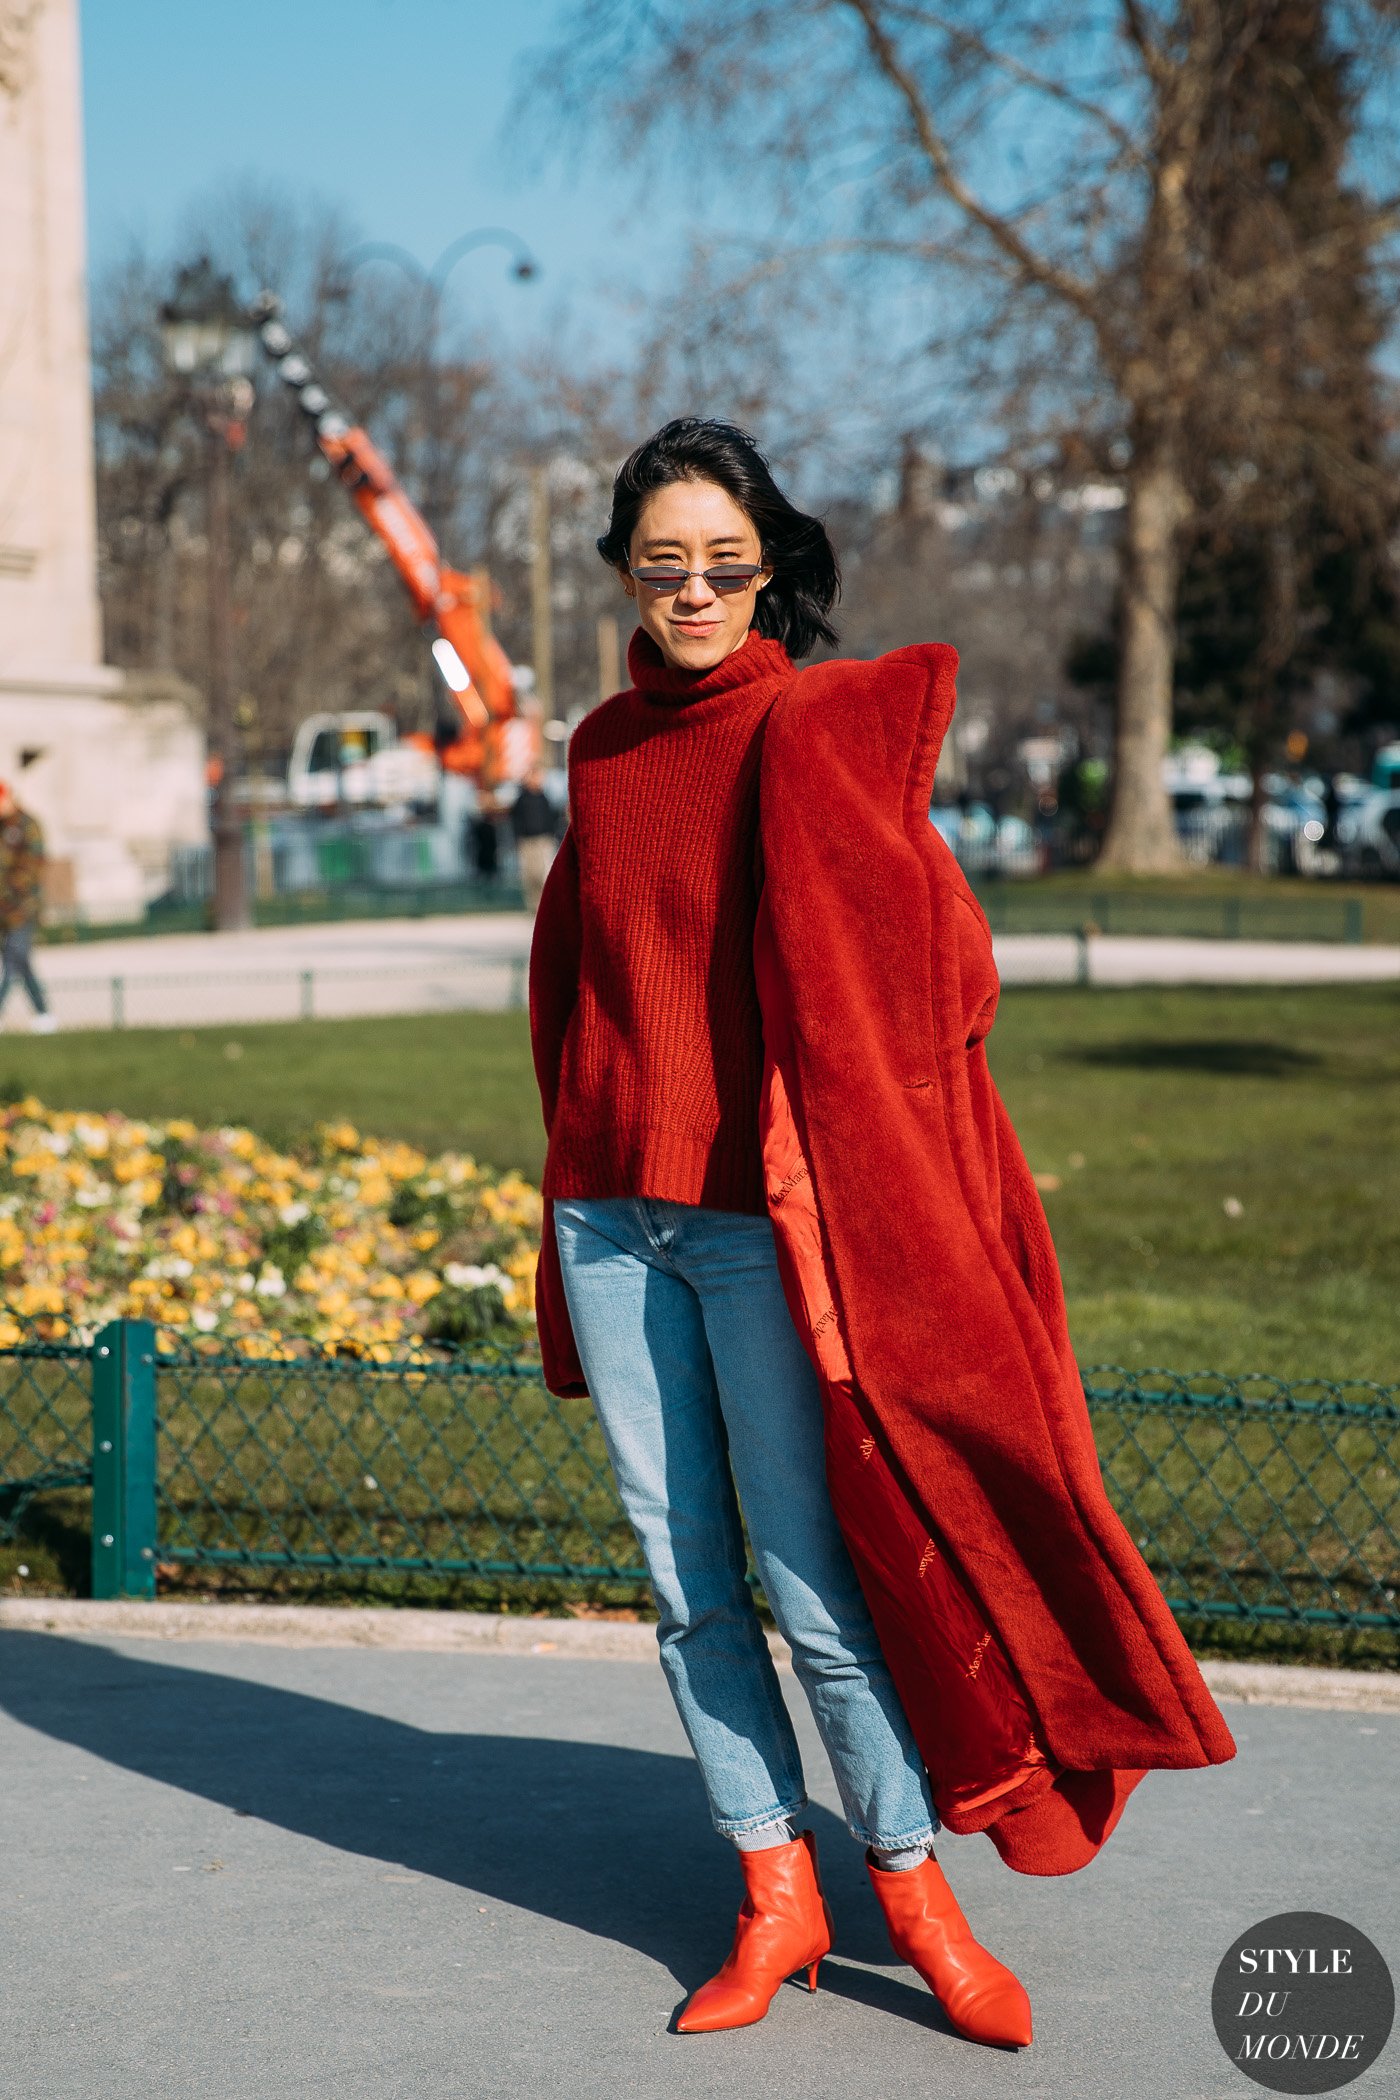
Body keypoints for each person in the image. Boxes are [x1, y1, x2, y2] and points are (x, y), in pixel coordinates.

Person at [527, 419, 1235, 2044]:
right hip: (614, 1221)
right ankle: (773, 1894)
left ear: (767, 568)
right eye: (662, 563)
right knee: (681, 1580)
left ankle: (911, 1897)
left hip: (753, 1233)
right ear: (624, 574)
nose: (693, 589)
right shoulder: (596, 748)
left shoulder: (809, 732)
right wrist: (572, 1163)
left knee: (811, 1579)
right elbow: (579, 970)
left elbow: (938, 958)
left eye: (723, 562)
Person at [0, 782, 55, 1033]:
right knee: (20, 961)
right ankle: (44, 1013)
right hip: (3, 911)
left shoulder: (27, 825)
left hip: (21, 908)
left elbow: (31, 867)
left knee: (13, 959)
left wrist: (10, 895)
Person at [509, 761, 561, 915]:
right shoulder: (521, 799)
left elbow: (552, 819)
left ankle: (546, 906)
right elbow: (516, 820)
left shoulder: (545, 798)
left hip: (544, 840)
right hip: (527, 841)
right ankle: (533, 907)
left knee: (544, 874)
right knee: (530, 875)